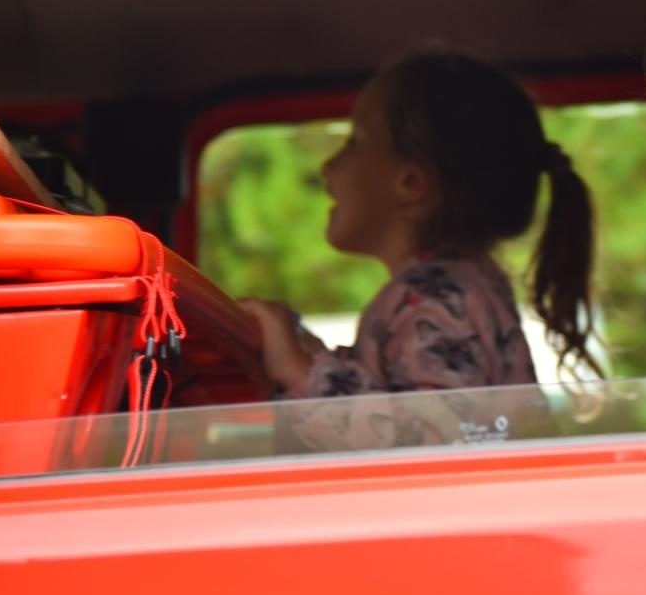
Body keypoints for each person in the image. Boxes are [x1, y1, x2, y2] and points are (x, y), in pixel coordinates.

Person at [241, 49, 597, 449]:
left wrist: (301, 370)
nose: (328, 166)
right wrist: (315, 355)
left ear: (411, 183)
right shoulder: (458, 288)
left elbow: (433, 447)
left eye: (354, 142)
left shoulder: (435, 300)